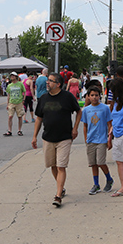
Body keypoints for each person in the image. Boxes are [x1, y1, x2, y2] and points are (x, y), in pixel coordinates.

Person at [32, 72, 82, 207]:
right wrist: (34, 136)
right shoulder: (43, 98)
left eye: (50, 81)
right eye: (48, 80)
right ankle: (62, 187)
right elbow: (39, 118)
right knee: (52, 166)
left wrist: (75, 128)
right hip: (48, 137)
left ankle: (58, 195)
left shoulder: (67, 97)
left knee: (61, 166)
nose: (47, 82)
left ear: (58, 84)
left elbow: (79, 111)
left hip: (64, 137)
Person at [80, 85, 115, 194]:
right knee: (93, 163)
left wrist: (109, 139)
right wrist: (86, 139)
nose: (94, 97)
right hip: (91, 140)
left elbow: (110, 124)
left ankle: (109, 179)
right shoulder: (86, 110)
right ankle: (96, 184)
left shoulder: (105, 108)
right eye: (92, 95)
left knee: (100, 162)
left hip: (102, 139)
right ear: (88, 97)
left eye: (96, 95)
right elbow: (85, 126)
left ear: (100, 96)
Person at [4, 72, 25, 136]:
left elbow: (24, 92)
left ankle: (19, 130)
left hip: (19, 102)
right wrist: (7, 104)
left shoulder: (20, 84)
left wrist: (23, 99)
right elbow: (8, 95)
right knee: (10, 116)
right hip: (11, 102)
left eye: (13, 76)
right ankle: (10, 130)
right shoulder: (9, 85)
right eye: (11, 76)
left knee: (20, 116)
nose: (12, 77)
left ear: (16, 77)